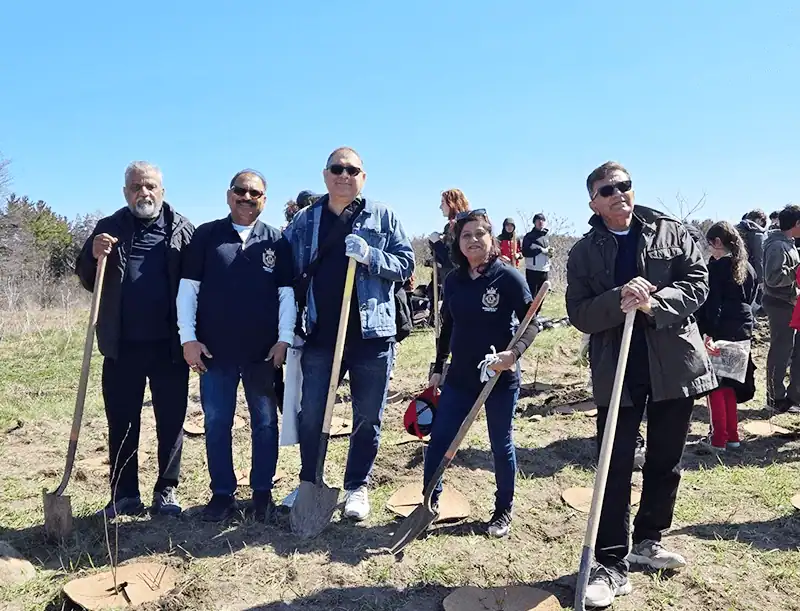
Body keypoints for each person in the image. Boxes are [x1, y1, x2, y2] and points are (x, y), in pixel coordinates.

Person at [566, 161, 715, 608]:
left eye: (624, 186)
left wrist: (655, 302)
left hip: (674, 362)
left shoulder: (672, 231)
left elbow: (698, 282)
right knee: (613, 462)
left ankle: (649, 538)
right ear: (593, 201)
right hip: (619, 366)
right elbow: (579, 313)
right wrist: (618, 299)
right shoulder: (584, 252)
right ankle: (610, 562)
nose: (619, 194)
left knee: (666, 459)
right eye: (607, 189)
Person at [284, 147, 414, 520]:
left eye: (352, 170)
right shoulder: (306, 220)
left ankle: (357, 486)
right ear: (325, 175)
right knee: (311, 414)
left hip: (372, 336)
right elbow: (284, 264)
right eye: (337, 169)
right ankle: (310, 481)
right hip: (321, 335)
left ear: (363, 176)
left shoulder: (383, 216)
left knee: (367, 416)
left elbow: (405, 263)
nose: (344, 175)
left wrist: (372, 256)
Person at [75, 161, 194, 518]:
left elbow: (199, 284)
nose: (144, 192)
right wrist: (93, 255)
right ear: (126, 192)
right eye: (136, 187)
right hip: (121, 345)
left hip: (169, 346)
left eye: (151, 186)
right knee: (122, 420)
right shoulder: (108, 228)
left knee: (171, 420)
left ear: (162, 191)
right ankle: (124, 495)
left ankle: (166, 491)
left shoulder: (183, 229)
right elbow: (85, 277)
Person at [177, 169, 295, 521]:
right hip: (215, 352)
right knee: (216, 422)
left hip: (262, 353)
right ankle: (222, 493)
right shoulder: (206, 236)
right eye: (240, 191)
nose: (247, 197)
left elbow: (286, 295)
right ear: (229, 195)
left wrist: (284, 339)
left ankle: (262, 493)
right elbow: (188, 291)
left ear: (264, 199)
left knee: (264, 423)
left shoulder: (276, 241)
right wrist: (188, 339)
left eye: (255, 193)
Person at [427, 210, 537, 538]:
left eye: (480, 234)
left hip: (498, 379)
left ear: (491, 239)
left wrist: (512, 354)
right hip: (460, 377)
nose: (473, 240)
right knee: (439, 442)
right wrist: (437, 367)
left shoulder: (509, 278)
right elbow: (447, 327)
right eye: (466, 235)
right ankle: (429, 503)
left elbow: (533, 323)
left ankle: (503, 510)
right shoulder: (454, 281)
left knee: (500, 444)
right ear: (457, 243)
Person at [696, 221, 758, 452]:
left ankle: (718, 439)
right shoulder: (747, 268)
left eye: (710, 244)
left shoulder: (718, 268)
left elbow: (713, 304)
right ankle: (732, 436)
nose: (710, 249)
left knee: (715, 386)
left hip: (721, 329)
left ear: (718, 242)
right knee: (730, 384)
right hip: (743, 328)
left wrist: (708, 333)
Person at [762, 205, 800, 414]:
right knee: (780, 351)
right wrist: (796, 273)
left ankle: (791, 397)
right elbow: (772, 278)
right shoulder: (777, 246)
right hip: (780, 304)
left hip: (791, 303)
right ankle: (774, 397)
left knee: (791, 350)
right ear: (796, 224)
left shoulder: (790, 244)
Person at [429, 188, 470, 289]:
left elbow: (453, 261)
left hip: (460, 284)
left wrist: (437, 243)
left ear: (452, 203)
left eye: (443, 202)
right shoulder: (450, 226)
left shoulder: (462, 225)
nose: (440, 207)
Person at [736, 209, 767, 313]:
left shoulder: (735, 229)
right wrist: (761, 280)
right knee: (750, 299)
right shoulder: (757, 233)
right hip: (750, 270)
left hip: (733, 267)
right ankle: (750, 319)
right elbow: (759, 258)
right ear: (758, 220)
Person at [521, 213, 550, 308]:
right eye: (538, 220)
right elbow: (525, 252)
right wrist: (540, 250)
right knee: (531, 295)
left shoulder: (546, 237)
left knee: (542, 295)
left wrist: (549, 253)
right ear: (534, 222)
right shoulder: (529, 237)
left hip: (545, 269)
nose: (540, 222)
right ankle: (529, 317)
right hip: (532, 269)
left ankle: (537, 315)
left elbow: (547, 252)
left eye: (542, 220)